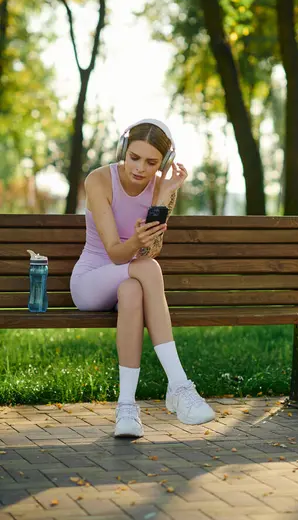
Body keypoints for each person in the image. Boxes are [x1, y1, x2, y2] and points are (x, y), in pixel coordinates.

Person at [70, 119, 215, 438]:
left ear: (162, 162)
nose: (139, 168)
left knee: (134, 290)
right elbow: (116, 253)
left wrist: (162, 197)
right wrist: (135, 241)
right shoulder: (99, 180)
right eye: (134, 157)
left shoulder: (163, 187)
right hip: (91, 281)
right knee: (145, 272)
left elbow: (151, 252)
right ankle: (178, 384)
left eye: (151, 162)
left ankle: (126, 407)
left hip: (129, 278)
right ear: (124, 149)